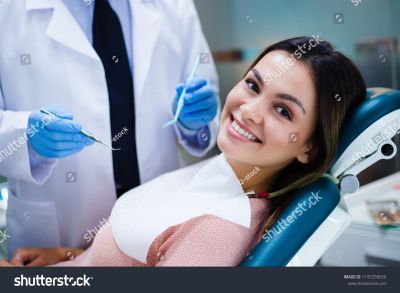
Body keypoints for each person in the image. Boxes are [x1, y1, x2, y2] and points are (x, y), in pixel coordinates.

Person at [0, 37, 366, 267]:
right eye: (253, 86)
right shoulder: (218, 175)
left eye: (283, 111)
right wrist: (70, 257)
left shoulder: (219, 229)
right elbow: (135, 252)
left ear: (309, 148)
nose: (250, 110)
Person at [0, 0, 219, 258]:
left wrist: (195, 123)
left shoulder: (174, 6)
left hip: (161, 224)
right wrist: (24, 136)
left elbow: (205, 96)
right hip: (57, 237)